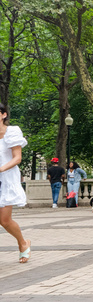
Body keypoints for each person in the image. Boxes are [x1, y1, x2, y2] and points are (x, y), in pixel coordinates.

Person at [0, 103, 31, 263]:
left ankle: (23, 243)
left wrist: (0, 169)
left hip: (6, 180)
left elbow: (17, 158)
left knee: (4, 221)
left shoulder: (12, 132)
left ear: (3, 115)